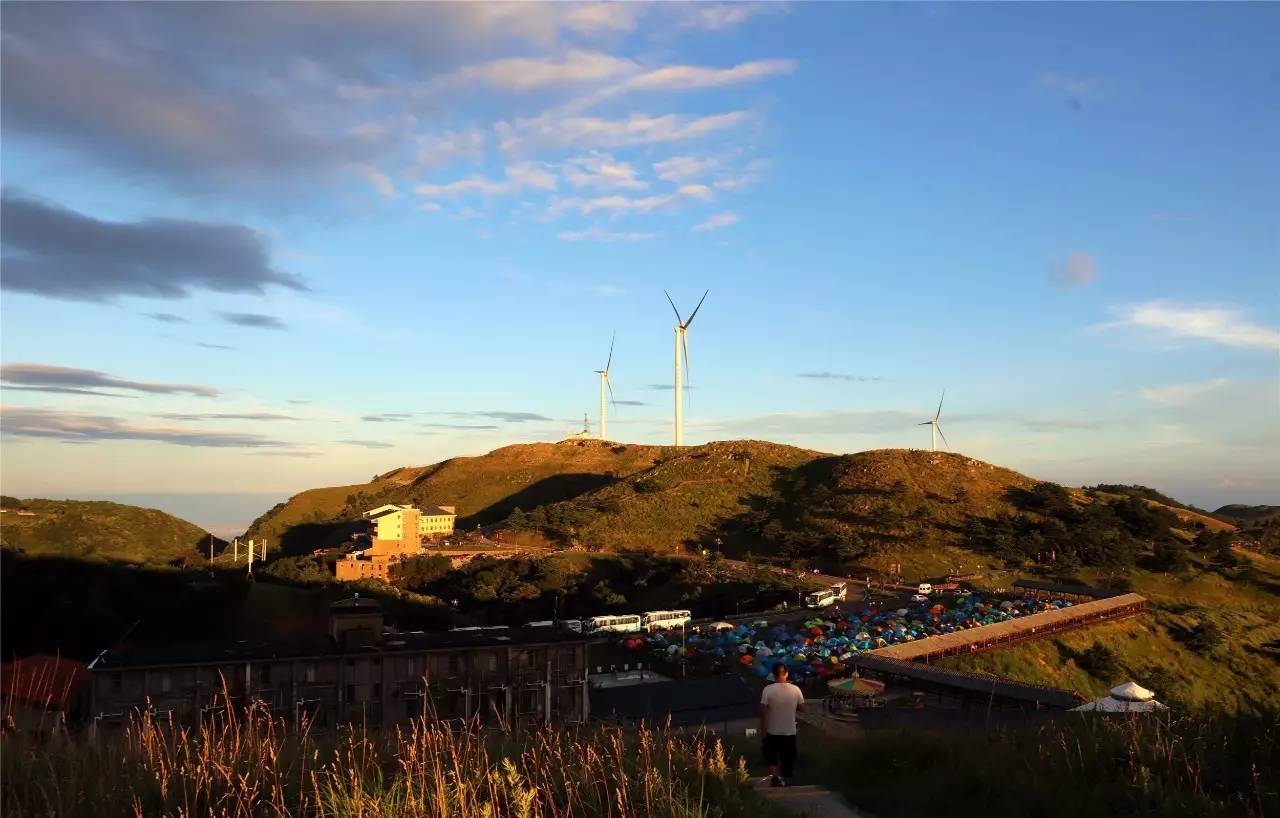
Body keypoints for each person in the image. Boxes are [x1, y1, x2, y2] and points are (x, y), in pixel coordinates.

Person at [759, 664, 804, 787]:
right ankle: (788, 779)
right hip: (790, 730)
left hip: (772, 730)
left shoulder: (767, 690)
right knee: (788, 755)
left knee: (772, 755)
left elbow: (763, 712)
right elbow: (802, 708)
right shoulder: (795, 689)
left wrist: (763, 730)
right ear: (787, 673)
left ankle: (775, 778)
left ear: (773, 675)